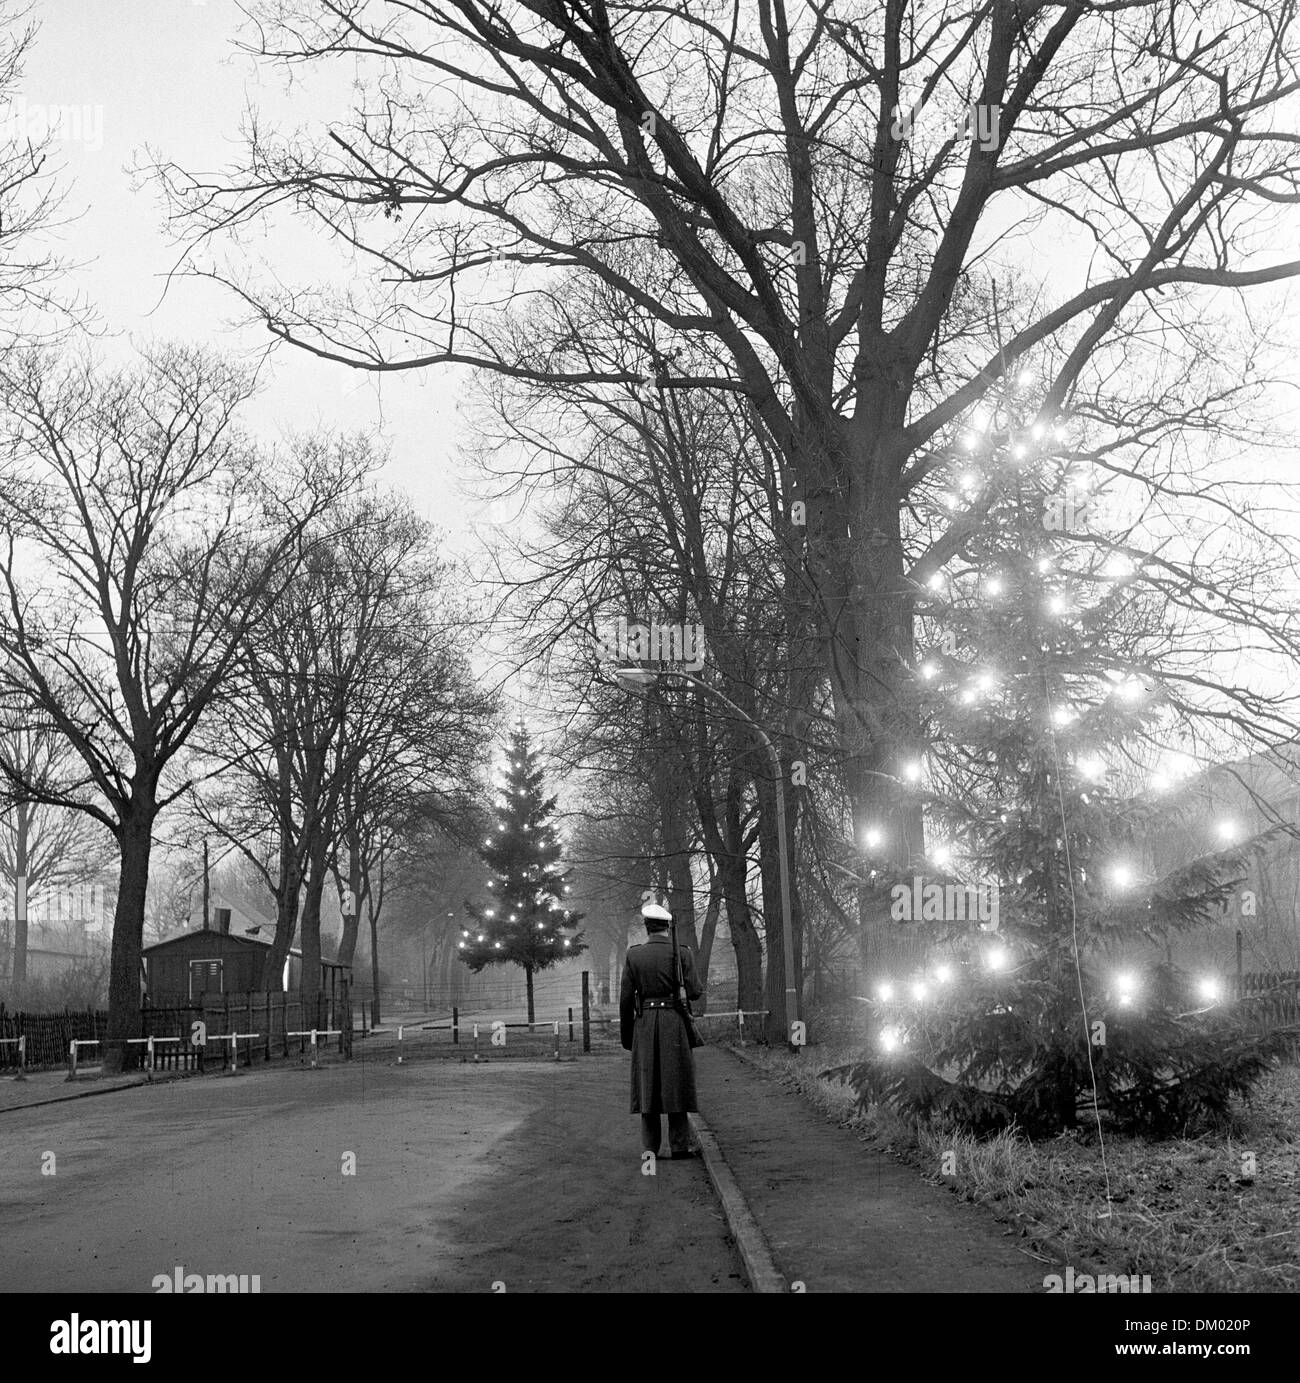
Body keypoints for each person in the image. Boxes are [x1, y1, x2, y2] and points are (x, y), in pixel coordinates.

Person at [619, 901, 703, 1158]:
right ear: (667, 926)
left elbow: (625, 1001)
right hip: (674, 1022)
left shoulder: (634, 955)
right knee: (676, 1082)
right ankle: (679, 1146)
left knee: (648, 1085)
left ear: (647, 928)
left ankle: (650, 1149)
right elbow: (695, 992)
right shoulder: (683, 953)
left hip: (644, 1025)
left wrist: (628, 1036)